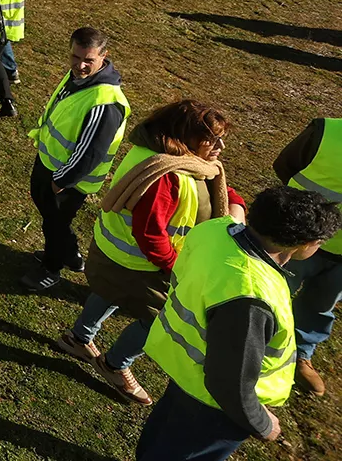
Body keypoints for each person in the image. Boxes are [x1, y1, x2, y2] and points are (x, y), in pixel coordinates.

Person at [58, 100, 246, 405]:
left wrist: (235, 202)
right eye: (212, 139)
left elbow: (209, 185)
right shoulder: (167, 175)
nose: (220, 147)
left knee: (108, 292)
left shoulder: (168, 157)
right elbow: (150, 233)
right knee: (161, 319)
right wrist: (176, 267)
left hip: (117, 254)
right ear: (186, 136)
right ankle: (114, 365)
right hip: (143, 264)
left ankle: (78, 338)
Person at [138, 187, 342, 461]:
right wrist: (262, 423)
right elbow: (229, 384)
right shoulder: (251, 297)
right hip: (215, 406)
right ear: (306, 244)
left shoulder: (214, 231)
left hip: (185, 370)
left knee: (161, 436)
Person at [20, 27, 130, 291]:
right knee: (52, 217)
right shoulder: (80, 78)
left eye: (88, 60)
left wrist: (62, 180)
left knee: (55, 224)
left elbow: (91, 152)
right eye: (75, 57)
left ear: (104, 56)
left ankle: (52, 268)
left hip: (68, 179)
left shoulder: (105, 102)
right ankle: (70, 254)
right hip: (52, 163)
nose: (80, 65)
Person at [273, 117, 342, 395]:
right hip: (297, 239)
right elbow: (284, 165)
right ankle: (256, 347)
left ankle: (301, 353)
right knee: (271, 293)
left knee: (320, 305)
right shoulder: (326, 131)